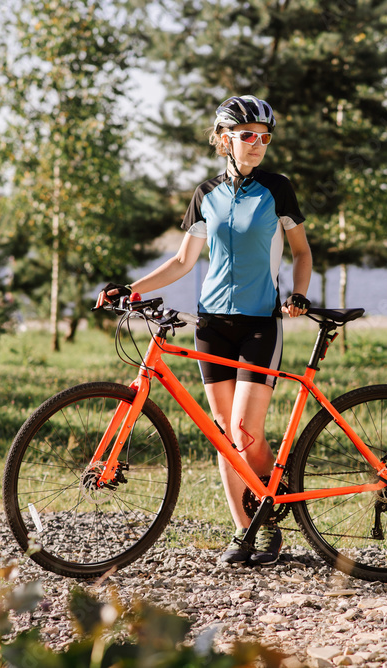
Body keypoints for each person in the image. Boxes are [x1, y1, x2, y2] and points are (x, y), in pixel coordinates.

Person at [100, 95, 312, 566]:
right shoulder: (205, 194)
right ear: (224, 140)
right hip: (212, 324)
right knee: (223, 434)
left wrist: (298, 293)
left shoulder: (277, 189)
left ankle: (272, 508)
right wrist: (128, 290)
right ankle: (243, 531)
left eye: (264, 137)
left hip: (261, 324)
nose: (256, 144)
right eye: (246, 135)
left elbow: (302, 252)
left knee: (245, 431)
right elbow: (182, 261)